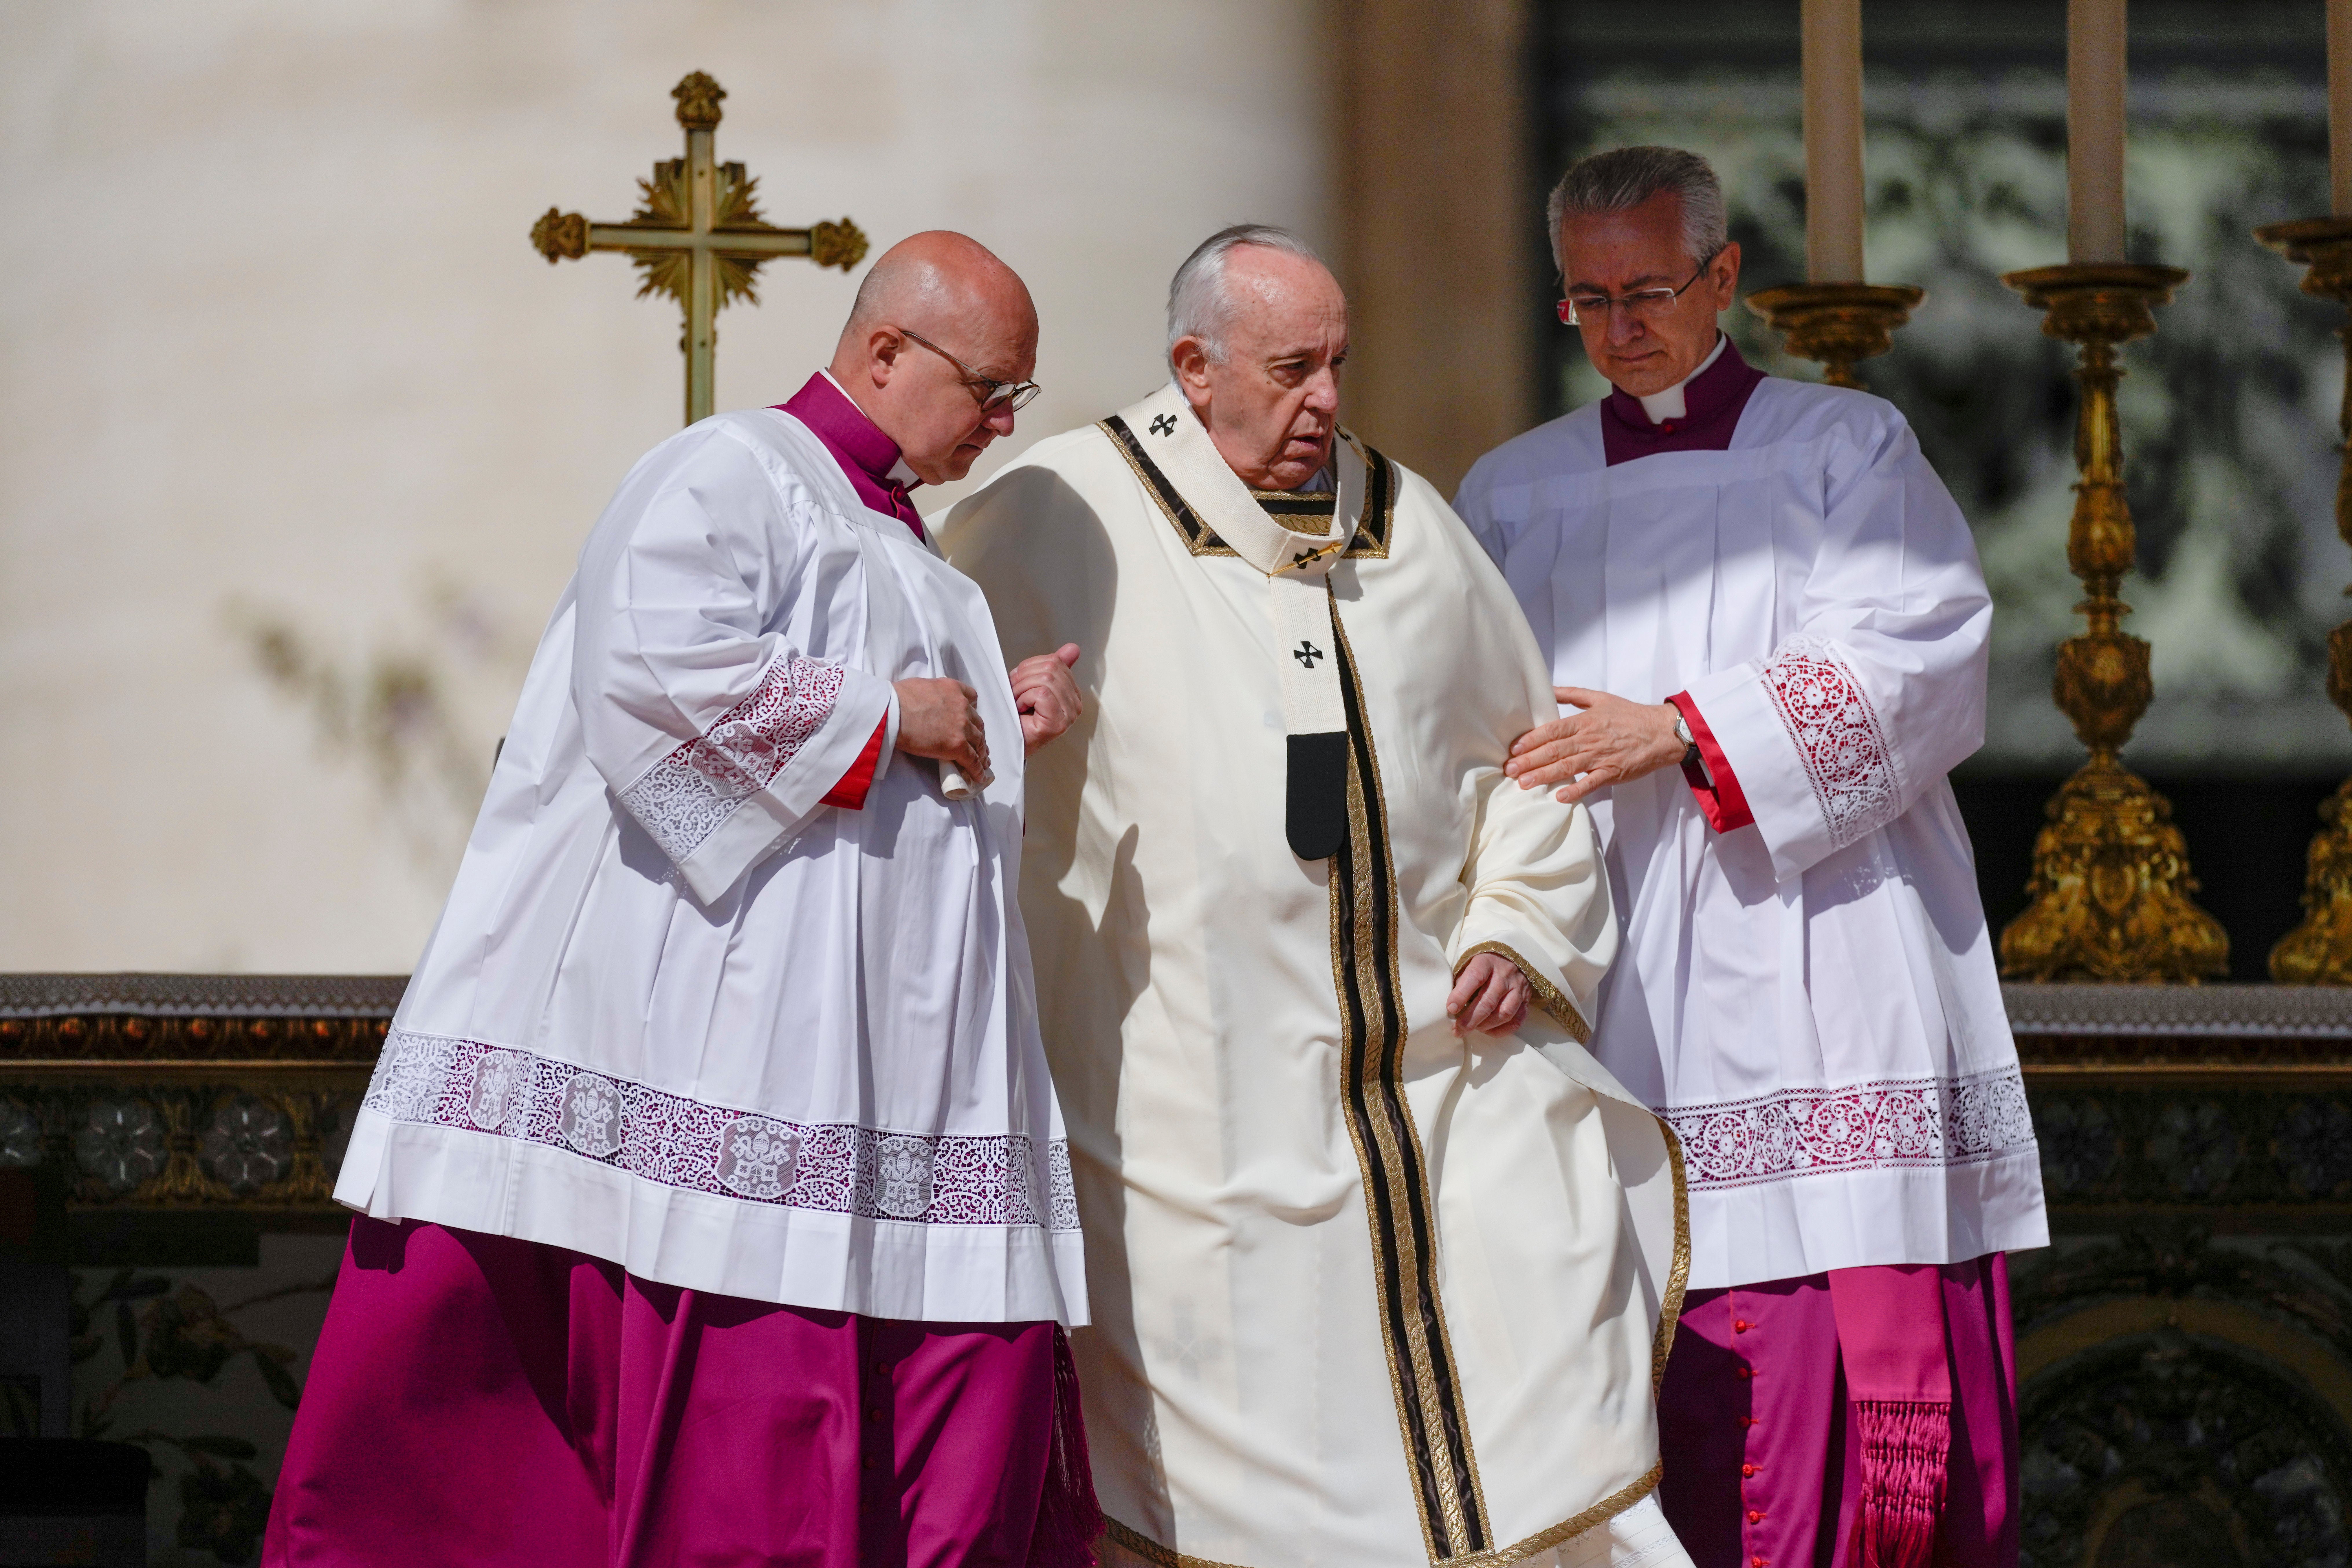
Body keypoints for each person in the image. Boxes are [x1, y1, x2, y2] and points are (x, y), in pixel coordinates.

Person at [265, 231, 1100, 1568]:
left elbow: (901, 775)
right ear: (884, 352)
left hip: (895, 1082)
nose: (1001, 425)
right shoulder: (731, 473)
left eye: (1018, 400)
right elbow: (653, 679)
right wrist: (898, 713)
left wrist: (999, 711)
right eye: (990, 390)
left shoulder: (922, 558)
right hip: (747, 1053)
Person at [942, 225, 1691, 1568]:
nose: (1328, 401)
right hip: (1179, 1114)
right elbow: (936, 760)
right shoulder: (1050, 517)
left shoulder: (1412, 530)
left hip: (1426, 1096)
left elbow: (1534, 767)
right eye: (1292, 369)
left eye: (1338, 364)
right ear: (1193, 367)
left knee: (1528, 1367)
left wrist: (1519, 925)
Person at [1454, 148, 2050, 1568]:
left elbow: (1926, 654)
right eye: (1586, 300)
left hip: (1817, 947)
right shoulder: (1509, 492)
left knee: (1831, 1374)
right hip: (1613, 973)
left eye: (1648, 291)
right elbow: (1455, 727)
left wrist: (1682, 728)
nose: (1618, 329)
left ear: (1724, 278)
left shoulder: (1843, 448)